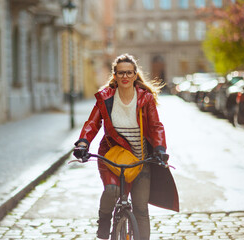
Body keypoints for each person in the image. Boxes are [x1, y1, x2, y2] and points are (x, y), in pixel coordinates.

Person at [73, 54, 179, 240]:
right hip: (112, 157)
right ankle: (104, 219)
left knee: (140, 209)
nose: (125, 77)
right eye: (121, 73)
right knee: (112, 191)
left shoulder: (145, 99)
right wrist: (83, 143)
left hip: (140, 160)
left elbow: (155, 126)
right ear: (114, 75)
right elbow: (92, 123)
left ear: (135, 75)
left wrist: (160, 148)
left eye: (129, 73)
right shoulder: (106, 98)